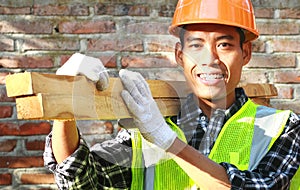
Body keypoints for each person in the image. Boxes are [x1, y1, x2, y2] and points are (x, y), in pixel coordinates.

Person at [44, 0, 300, 189]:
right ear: (180, 55)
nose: (210, 58)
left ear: (245, 53)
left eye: (224, 44)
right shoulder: (147, 127)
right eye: (196, 45)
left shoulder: (283, 128)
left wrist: (168, 142)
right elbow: (81, 180)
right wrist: (65, 105)